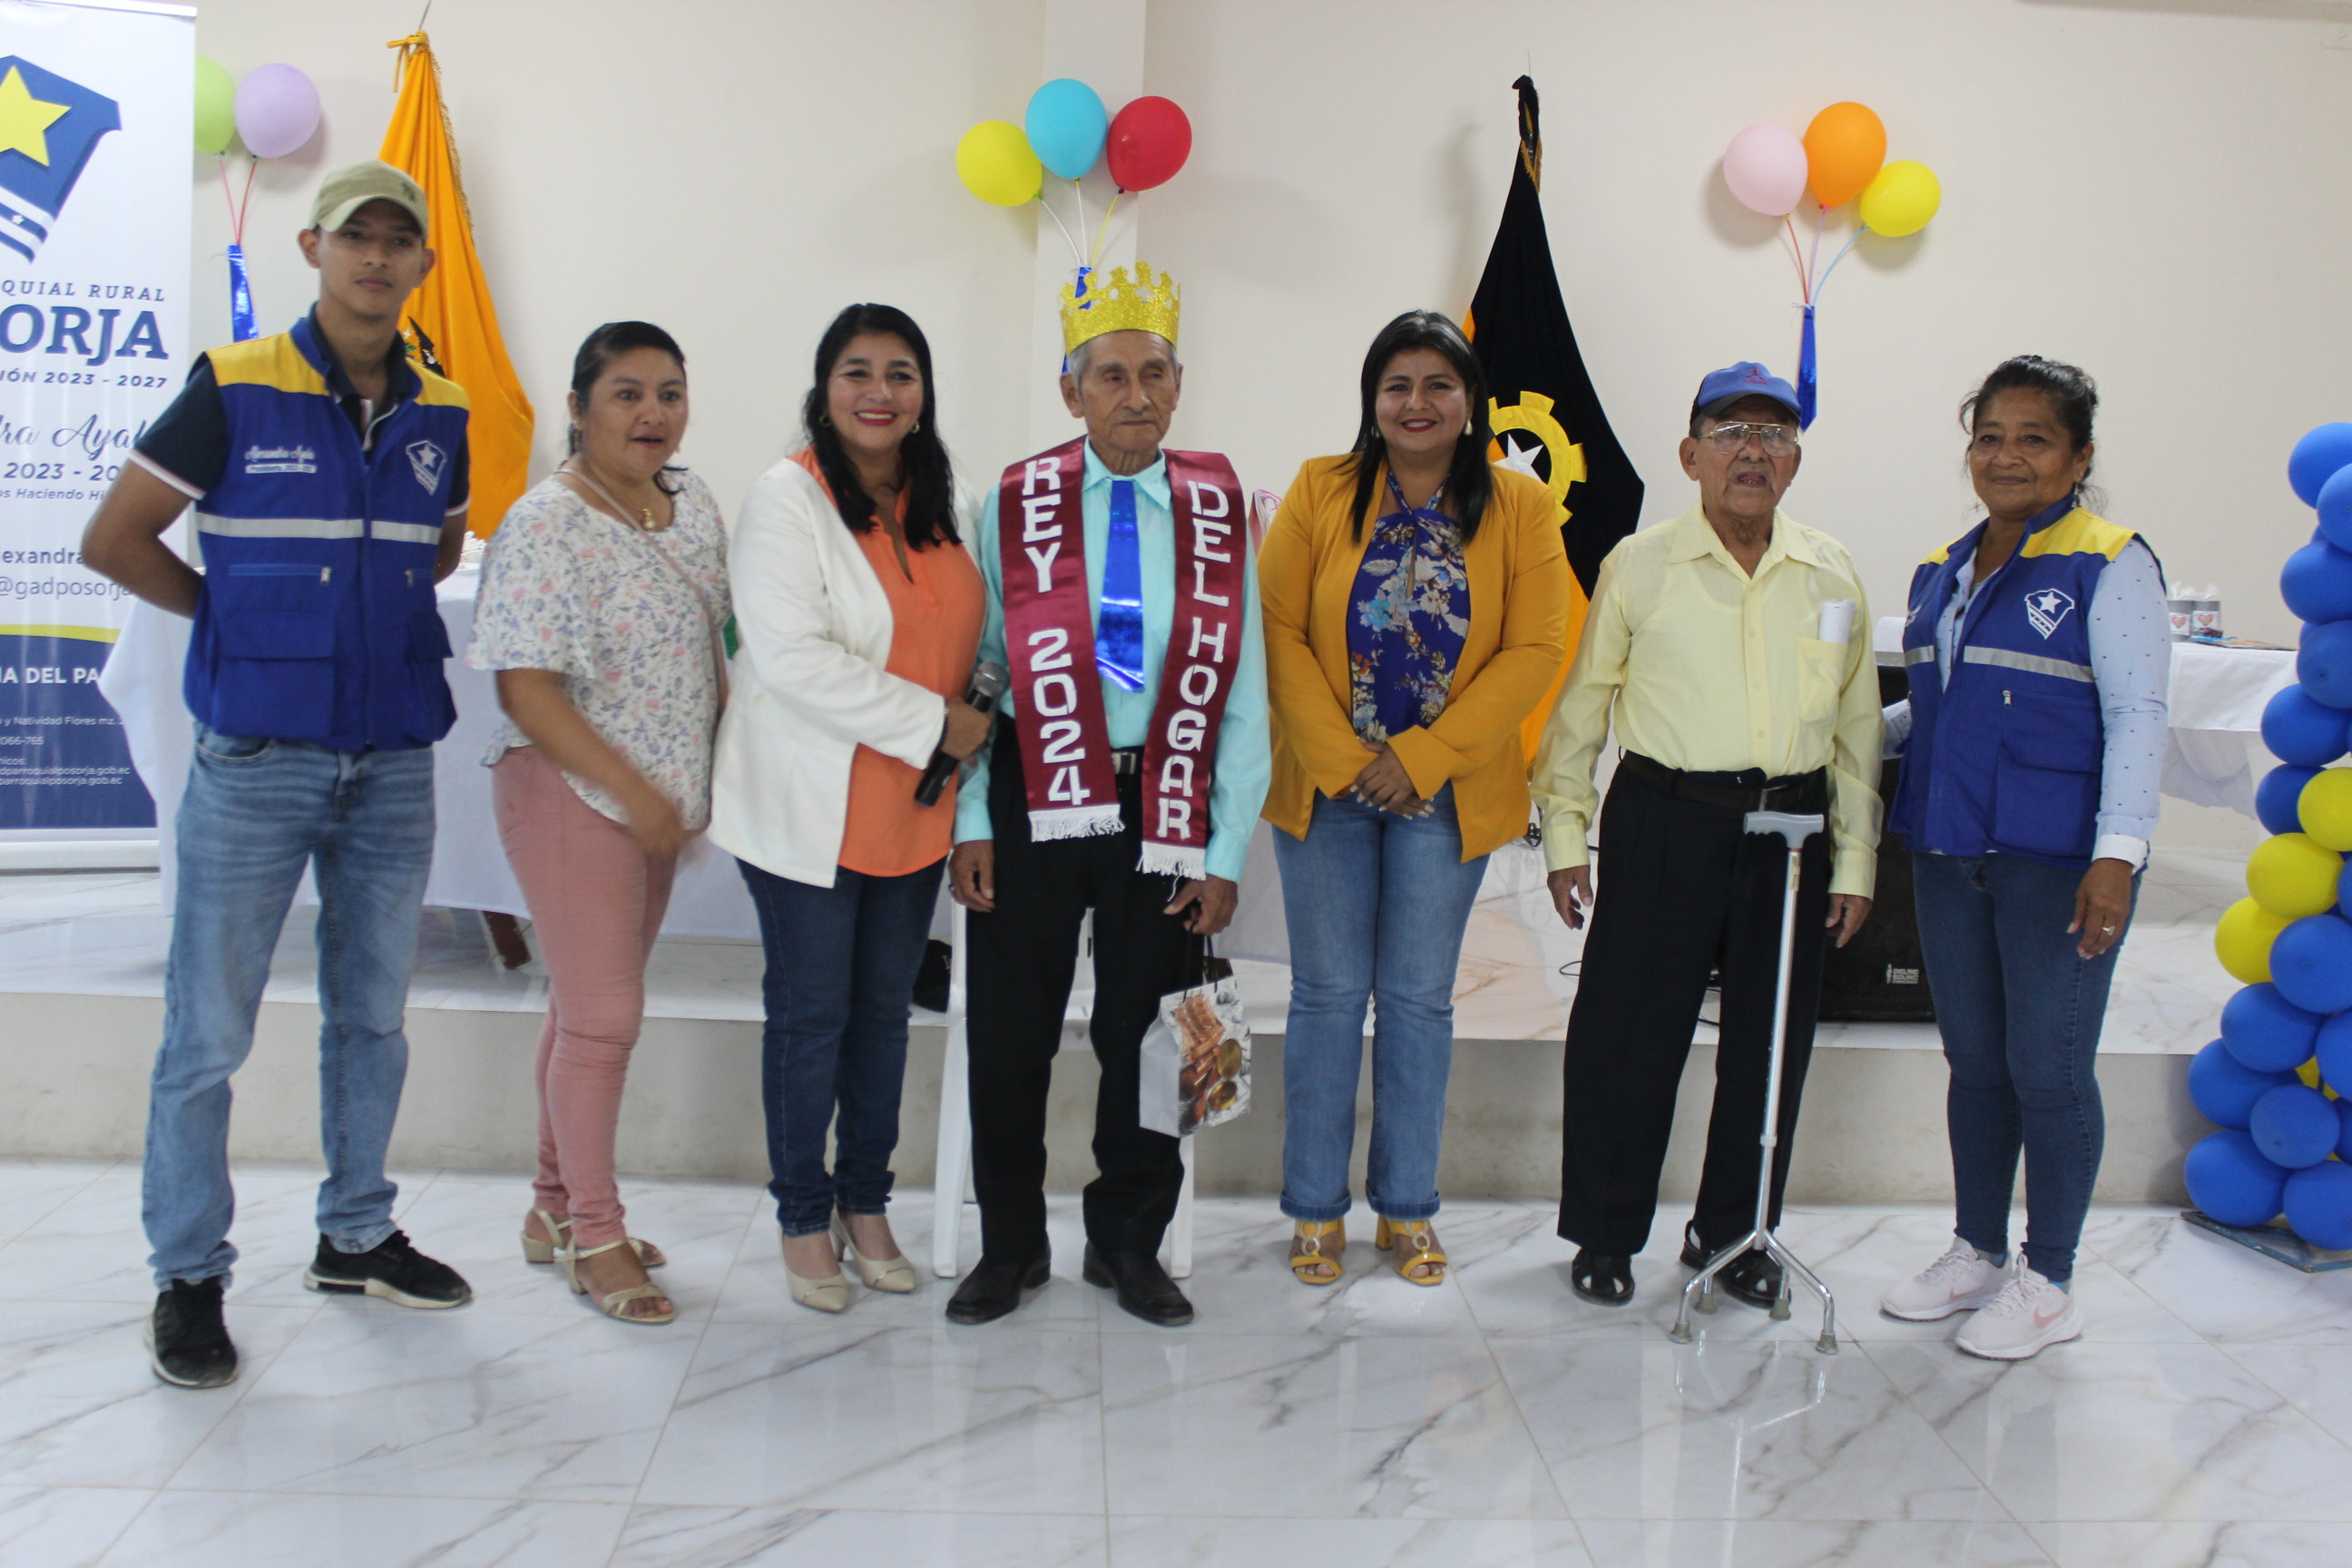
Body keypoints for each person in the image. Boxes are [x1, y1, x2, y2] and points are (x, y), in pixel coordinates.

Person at [80, 162, 475, 1387]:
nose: (377, 258)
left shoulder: (444, 406)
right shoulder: (236, 383)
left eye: (399, 241)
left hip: (391, 757)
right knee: (208, 1029)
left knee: (373, 1017)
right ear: (314, 248)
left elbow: (440, 546)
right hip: (257, 756)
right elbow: (114, 538)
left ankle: (355, 1235)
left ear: (421, 264)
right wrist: (231, 622)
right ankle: (188, 1274)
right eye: (357, 237)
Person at [945, 262, 1269, 1328]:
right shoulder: (1014, 501)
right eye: (1112, 376)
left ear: (1179, 385)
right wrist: (972, 818)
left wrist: (1225, 851)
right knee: (1010, 1035)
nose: (1136, 395)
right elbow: (982, 670)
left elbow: (1247, 692)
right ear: (1070, 390)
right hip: (1036, 792)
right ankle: (1010, 1246)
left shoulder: (1220, 508)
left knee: (1156, 1034)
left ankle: (1128, 1243)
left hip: (1162, 802)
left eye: (1155, 374)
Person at [1532, 361, 1882, 1310]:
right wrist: (1564, 840)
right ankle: (1607, 1232)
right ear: (1691, 456)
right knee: (1626, 1039)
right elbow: (1580, 716)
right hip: (1666, 818)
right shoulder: (1638, 565)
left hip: (1793, 834)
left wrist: (1855, 860)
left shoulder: (1831, 570)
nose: (1753, 452)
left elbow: (1856, 734)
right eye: (1731, 433)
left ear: (1796, 458)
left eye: (1773, 434)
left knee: (1771, 1047)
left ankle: (1735, 1233)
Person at [1259, 310, 1570, 1288]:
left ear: (1471, 402)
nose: (1417, 402)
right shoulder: (1321, 488)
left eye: (1439, 384)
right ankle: (1315, 1209)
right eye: (1397, 384)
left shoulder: (1520, 507)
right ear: (1373, 400)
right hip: (1330, 787)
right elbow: (1277, 628)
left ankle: (1407, 1207)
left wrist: (1422, 757)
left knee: (1418, 1001)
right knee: (1325, 997)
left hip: (1447, 793)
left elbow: (1536, 650)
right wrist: (1345, 760)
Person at [1877, 357, 2165, 1360]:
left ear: (2079, 458)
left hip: (2060, 863)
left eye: (2034, 439)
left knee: (2049, 1068)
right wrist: (1834, 736)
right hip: (1950, 850)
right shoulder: (1942, 569)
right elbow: (1939, 707)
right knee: (1976, 1064)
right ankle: (1977, 1250)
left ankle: (2051, 1278)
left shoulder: (2111, 562)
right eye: (1990, 437)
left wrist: (2118, 855)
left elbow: (2138, 716)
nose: (2007, 456)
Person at [710, 304, 986, 1312]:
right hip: (809, 808)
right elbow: (791, 660)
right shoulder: (787, 498)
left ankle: (865, 1202)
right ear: (824, 388)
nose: (880, 392)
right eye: (857, 372)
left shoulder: (944, 497)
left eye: (900, 373)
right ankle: (800, 1214)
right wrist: (937, 723)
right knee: (811, 1015)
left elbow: (975, 632)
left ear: (923, 392)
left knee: (882, 1016)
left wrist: (968, 723)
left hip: (913, 808)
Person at [470, 321, 730, 1325]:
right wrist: (637, 794)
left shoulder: (690, 503)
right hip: (572, 794)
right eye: (627, 393)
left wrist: (692, 785)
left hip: (658, 803)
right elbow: (526, 690)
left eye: (670, 392)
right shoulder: (546, 524)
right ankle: (596, 1233)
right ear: (578, 409)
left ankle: (551, 1207)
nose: (652, 413)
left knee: (582, 1012)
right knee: (605, 1020)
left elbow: (711, 641)